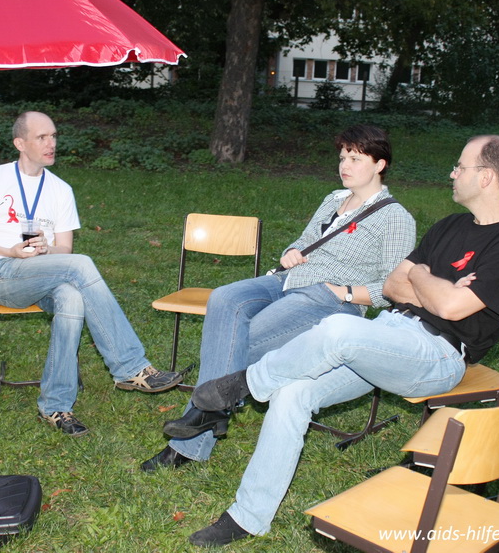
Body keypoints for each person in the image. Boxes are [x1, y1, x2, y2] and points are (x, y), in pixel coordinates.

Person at [182, 135, 499, 547]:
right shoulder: (450, 226)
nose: (452, 173)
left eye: (460, 166)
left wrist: (421, 277)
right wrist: (430, 282)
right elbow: (392, 285)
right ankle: (247, 516)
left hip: (437, 356)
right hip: (390, 332)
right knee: (292, 394)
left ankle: (240, 386)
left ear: (487, 177)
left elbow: (451, 308)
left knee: (339, 329)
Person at [141, 124, 416, 471]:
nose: (345, 165)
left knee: (241, 339)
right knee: (224, 299)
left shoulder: (395, 218)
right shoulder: (334, 199)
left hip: (331, 299)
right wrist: (290, 252)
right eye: (342, 157)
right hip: (287, 280)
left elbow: (392, 289)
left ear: (380, 164)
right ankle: (213, 412)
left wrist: (343, 291)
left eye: (355, 159)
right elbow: (303, 241)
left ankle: (190, 438)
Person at [0, 111, 181, 437]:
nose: (51, 143)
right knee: (81, 265)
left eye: (53, 136)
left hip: (45, 273)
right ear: (20, 143)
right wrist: (12, 251)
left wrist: (46, 249)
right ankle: (130, 367)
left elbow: (64, 250)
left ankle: (55, 406)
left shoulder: (60, 189)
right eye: (41, 137)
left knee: (72, 296)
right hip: (2, 273)